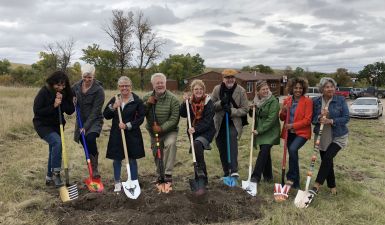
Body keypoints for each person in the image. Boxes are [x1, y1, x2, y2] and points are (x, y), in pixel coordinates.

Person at [103, 76, 145, 192]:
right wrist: (113, 107)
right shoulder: (115, 99)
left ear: (131, 87)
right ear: (119, 87)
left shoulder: (137, 101)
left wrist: (128, 125)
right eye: (122, 86)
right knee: (117, 159)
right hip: (117, 135)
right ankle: (117, 182)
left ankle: (134, 181)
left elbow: (141, 118)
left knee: (132, 158)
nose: (124, 88)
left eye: (127, 85)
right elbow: (106, 115)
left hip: (132, 135)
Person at [33, 71, 74, 187]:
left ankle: (49, 177)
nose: (61, 87)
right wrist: (54, 106)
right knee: (57, 143)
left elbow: (70, 110)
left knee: (54, 149)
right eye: (58, 85)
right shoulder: (44, 92)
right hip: (43, 124)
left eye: (63, 85)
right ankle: (56, 174)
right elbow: (38, 111)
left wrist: (63, 101)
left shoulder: (65, 92)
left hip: (57, 125)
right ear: (52, 83)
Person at [310, 77, 349, 196]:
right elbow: (312, 119)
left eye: (332, 86)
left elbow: (346, 118)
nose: (330, 89)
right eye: (327, 87)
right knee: (327, 162)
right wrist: (319, 117)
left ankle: (316, 185)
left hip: (338, 136)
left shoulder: (340, 100)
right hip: (322, 136)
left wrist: (331, 120)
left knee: (327, 158)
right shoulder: (316, 101)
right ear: (322, 89)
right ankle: (333, 187)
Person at [143, 73, 180, 188]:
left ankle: (168, 174)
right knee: (157, 152)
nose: (160, 85)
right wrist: (147, 104)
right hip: (154, 133)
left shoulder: (173, 99)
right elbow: (140, 114)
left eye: (161, 82)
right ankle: (160, 175)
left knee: (170, 144)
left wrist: (162, 128)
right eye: (157, 83)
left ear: (165, 83)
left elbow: (174, 119)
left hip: (169, 131)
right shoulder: (146, 97)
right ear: (153, 84)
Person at [211, 69, 248, 179]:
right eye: (227, 77)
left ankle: (234, 170)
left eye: (232, 77)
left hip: (234, 122)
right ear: (223, 79)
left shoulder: (241, 91)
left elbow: (245, 109)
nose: (230, 79)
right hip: (220, 123)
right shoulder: (217, 89)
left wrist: (232, 111)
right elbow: (211, 106)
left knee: (232, 139)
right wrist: (221, 103)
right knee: (221, 145)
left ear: (235, 78)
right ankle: (226, 171)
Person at [180, 79, 215, 186]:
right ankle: (200, 179)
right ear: (192, 91)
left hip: (206, 131)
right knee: (196, 151)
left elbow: (208, 121)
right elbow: (182, 114)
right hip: (193, 132)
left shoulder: (209, 102)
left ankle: (201, 174)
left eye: (200, 89)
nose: (198, 91)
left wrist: (196, 129)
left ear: (204, 90)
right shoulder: (189, 102)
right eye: (196, 89)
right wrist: (184, 102)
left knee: (197, 145)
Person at [279, 77, 313, 189]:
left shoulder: (307, 101)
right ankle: (296, 183)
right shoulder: (287, 100)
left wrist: (292, 125)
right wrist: (283, 110)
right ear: (292, 88)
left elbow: (307, 120)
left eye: (300, 88)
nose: (298, 90)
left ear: (303, 89)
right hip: (289, 133)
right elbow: (282, 118)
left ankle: (291, 177)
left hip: (302, 133)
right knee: (293, 155)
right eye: (295, 88)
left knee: (293, 150)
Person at [72, 64, 105, 178]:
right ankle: (90, 165)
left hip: (94, 119)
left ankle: (94, 169)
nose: (87, 79)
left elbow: (96, 111)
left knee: (90, 138)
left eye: (89, 77)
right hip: (81, 119)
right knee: (83, 140)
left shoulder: (99, 90)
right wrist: (71, 99)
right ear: (82, 75)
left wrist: (85, 127)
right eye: (84, 77)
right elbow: (67, 95)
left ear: (93, 76)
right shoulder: (76, 87)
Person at [250, 80, 280, 183]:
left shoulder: (273, 101)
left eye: (267, 88)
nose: (266, 91)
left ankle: (255, 177)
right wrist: (251, 110)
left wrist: (259, 130)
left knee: (264, 151)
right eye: (263, 89)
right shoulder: (256, 101)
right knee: (265, 153)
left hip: (270, 131)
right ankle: (268, 177)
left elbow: (271, 119)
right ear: (258, 91)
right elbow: (254, 115)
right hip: (261, 131)